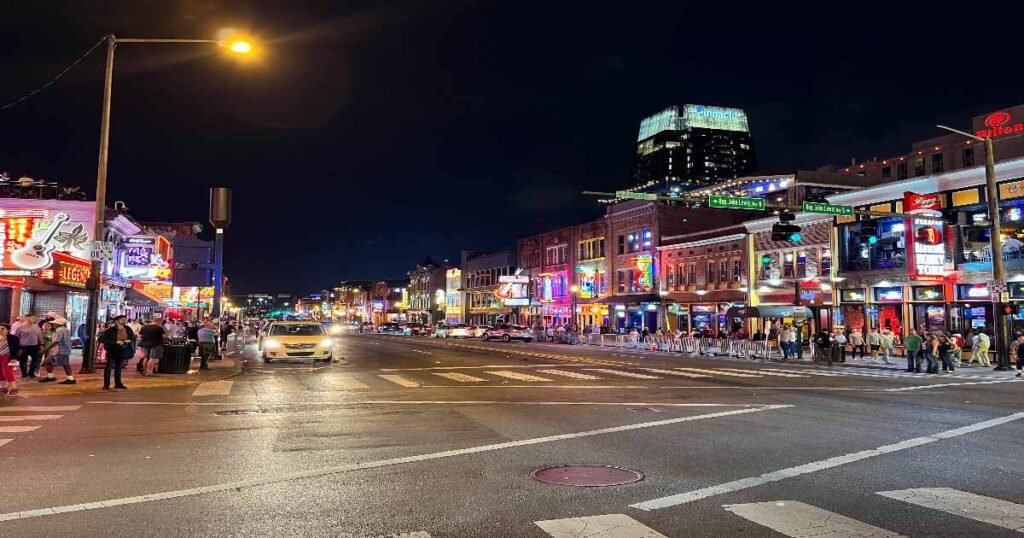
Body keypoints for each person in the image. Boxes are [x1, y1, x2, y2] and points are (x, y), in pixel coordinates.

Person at [98, 316, 133, 390]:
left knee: (119, 367)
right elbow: (101, 339)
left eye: (124, 319)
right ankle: (106, 384)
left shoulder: (127, 329)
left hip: (122, 350)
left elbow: (132, 337)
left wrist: (129, 340)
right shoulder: (110, 330)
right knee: (109, 367)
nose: (124, 320)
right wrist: (115, 342)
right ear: (116, 321)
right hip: (112, 350)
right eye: (122, 319)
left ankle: (118, 383)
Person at [39, 317, 75, 384]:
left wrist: (46, 349)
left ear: (58, 324)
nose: (53, 324)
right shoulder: (65, 329)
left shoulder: (59, 330)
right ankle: (51, 376)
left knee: (65, 364)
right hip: (62, 350)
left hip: (60, 350)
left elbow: (56, 341)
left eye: (55, 323)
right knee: (48, 361)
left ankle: (70, 378)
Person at [14, 314, 42, 378]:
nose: (34, 319)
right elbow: (16, 337)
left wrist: (41, 344)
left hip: (34, 346)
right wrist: (16, 347)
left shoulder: (36, 327)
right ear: (27, 318)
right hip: (23, 346)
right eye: (32, 318)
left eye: (35, 318)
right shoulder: (20, 327)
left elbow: (40, 336)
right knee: (23, 360)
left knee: (35, 360)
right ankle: (24, 373)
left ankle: (31, 373)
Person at [0, 324, 20, 396]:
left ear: (8, 330)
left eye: (3, 328)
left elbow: (15, 349)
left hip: (8, 356)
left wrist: (14, 358)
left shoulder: (13, 338)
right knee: (0, 372)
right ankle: (3, 387)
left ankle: (14, 388)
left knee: (7, 372)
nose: (0, 330)